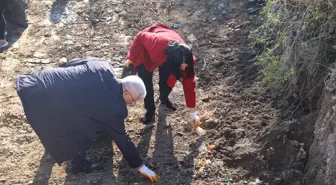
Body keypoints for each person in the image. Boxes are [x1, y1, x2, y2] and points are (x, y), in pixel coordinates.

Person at [15, 58, 158, 182]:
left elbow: (72, 63)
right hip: (43, 98)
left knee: (80, 114)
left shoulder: (103, 66)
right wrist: (141, 166)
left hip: (38, 80)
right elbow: (122, 138)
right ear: (127, 93)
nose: (131, 104)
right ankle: (78, 165)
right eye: (133, 100)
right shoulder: (114, 107)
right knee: (80, 127)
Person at [122, 24, 201, 128]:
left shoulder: (185, 59)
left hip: (168, 55)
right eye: (181, 67)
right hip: (146, 49)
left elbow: (189, 84)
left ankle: (164, 98)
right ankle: (150, 111)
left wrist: (193, 114)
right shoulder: (157, 43)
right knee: (146, 82)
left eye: (184, 67)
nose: (183, 69)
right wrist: (131, 58)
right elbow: (140, 36)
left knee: (166, 79)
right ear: (174, 61)